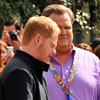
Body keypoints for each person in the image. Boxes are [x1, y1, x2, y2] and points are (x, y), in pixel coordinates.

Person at [42, 4, 100, 100]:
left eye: (67, 27)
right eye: (57, 27)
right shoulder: (35, 62)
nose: (63, 32)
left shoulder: (92, 61)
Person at [0, 16, 60, 100]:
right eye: (52, 45)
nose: (54, 51)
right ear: (38, 39)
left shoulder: (32, 70)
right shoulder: (20, 72)